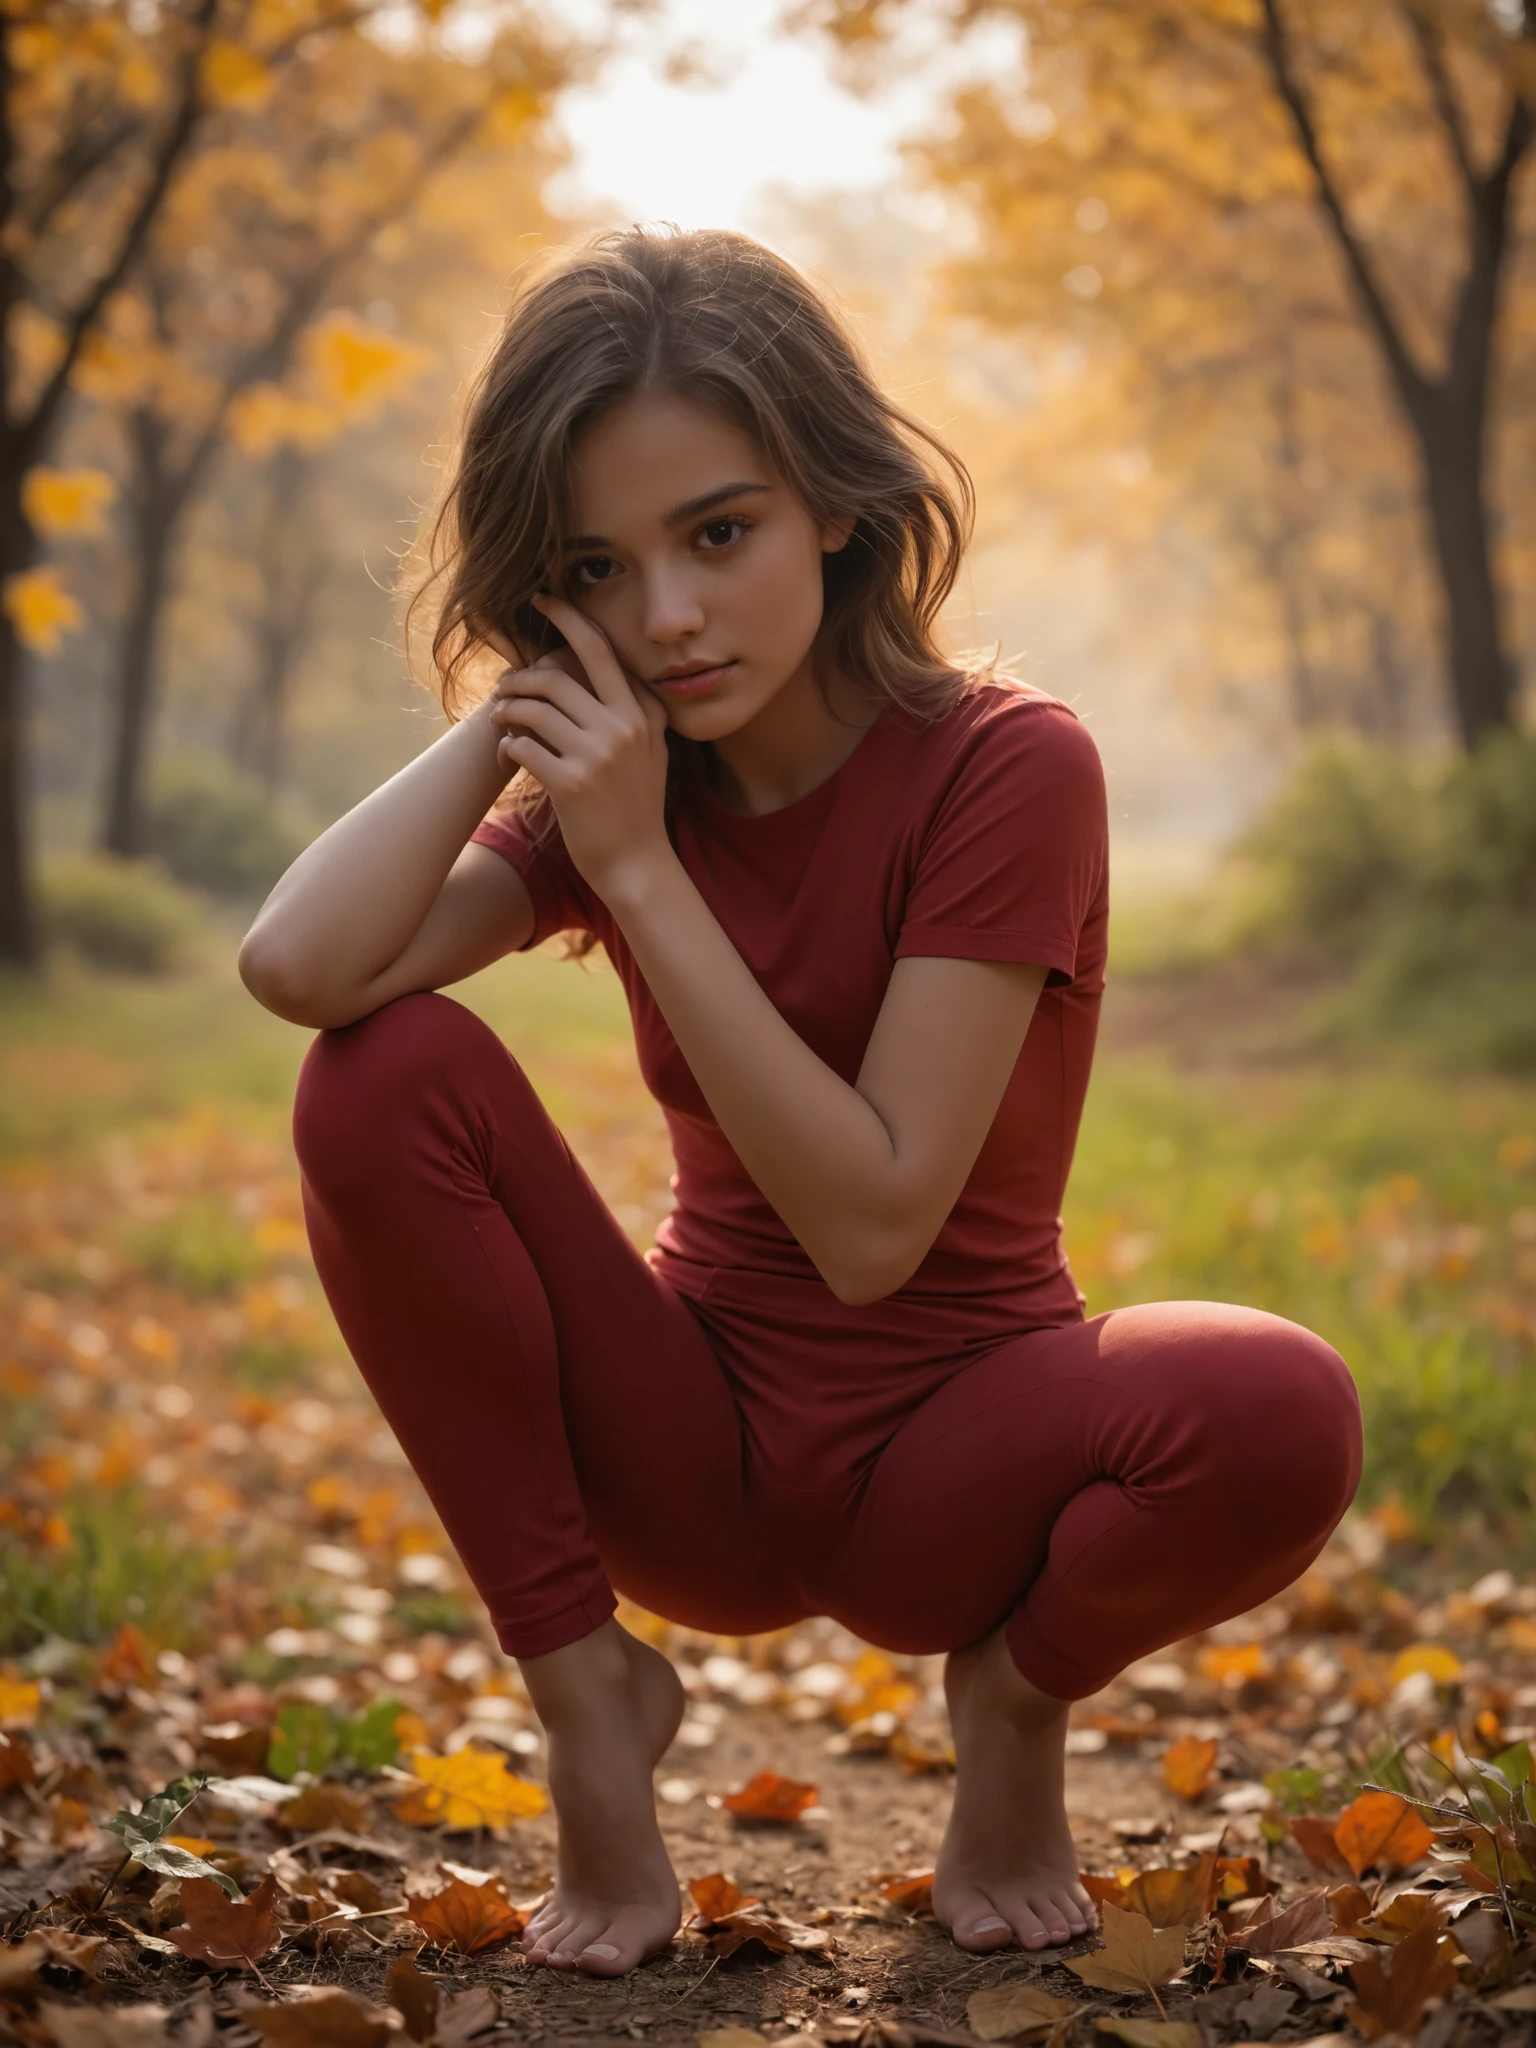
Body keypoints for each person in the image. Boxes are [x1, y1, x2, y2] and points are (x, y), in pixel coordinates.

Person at [239, 227, 1362, 1982]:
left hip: (960, 1467)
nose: (669, 617)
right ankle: (592, 1706)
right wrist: (515, 715)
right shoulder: (631, 782)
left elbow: (874, 1225)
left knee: (1281, 1404)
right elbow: (301, 966)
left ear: (835, 504)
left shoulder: (1008, 765)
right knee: (380, 1072)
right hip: (696, 1456)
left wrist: (637, 872)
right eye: (597, 568)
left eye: (719, 532)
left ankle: (1014, 1708)